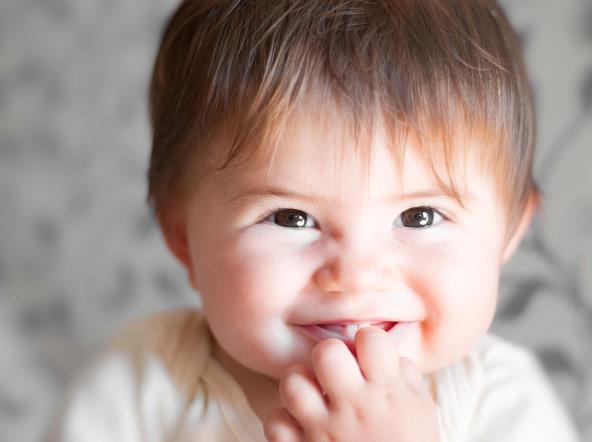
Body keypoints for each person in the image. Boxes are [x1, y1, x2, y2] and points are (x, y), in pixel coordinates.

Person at [48, 0, 580, 441]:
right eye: (291, 217)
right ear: (182, 236)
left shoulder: (500, 401)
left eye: (420, 216)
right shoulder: (142, 383)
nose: (356, 274)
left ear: (509, 232)